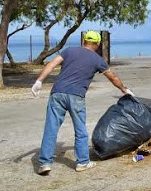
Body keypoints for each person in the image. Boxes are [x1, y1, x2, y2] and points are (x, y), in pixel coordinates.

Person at [31, 31, 133, 176]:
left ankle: (45, 163)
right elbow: (112, 77)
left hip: (57, 93)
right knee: (80, 130)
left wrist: (39, 81)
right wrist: (124, 89)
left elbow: (51, 65)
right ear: (97, 44)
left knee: (51, 128)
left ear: (84, 41)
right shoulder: (98, 60)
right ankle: (82, 162)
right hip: (76, 96)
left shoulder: (69, 51)